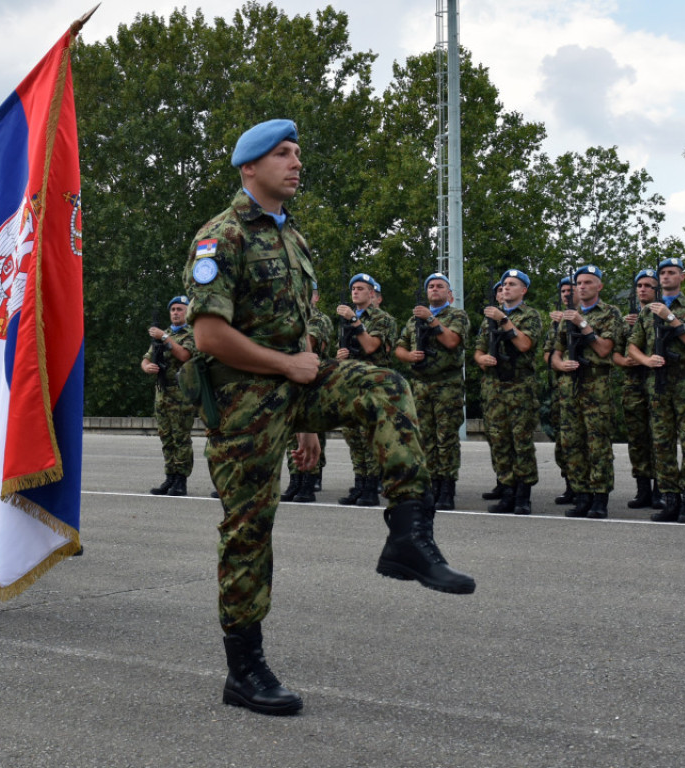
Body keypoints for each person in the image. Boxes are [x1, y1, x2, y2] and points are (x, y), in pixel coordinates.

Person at [184, 119, 475, 716]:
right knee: (248, 529)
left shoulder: (294, 238)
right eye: (282, 154)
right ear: (249, 168)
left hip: (295, 390)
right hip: (243, 403)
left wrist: (308, 419)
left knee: (386, 385)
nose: (296, 163)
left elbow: (300, 333)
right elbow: (209, 335)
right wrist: (287, 369)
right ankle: (244, 669)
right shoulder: (221, 236)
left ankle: (409, 533)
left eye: (297, 153)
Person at [626, 257, 685, 523]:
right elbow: (632, 347)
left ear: (682, 277)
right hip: (658, 386)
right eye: (663, 273)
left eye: (672, 272)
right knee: (662, 444)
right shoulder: (647, 312)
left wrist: (671, 319)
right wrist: (646, 360)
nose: (667, 276)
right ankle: (670, 499)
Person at [550, 265, 622, 519]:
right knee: (572, 442)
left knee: (598, 443)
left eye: (588, 282)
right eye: (579, 283)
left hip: (596, 384)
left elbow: (604, 349)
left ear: (599, 286)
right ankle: (581, 495)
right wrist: (560, 365)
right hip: (570, 385)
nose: (582, 287)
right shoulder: (568, 315)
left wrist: (582, 324)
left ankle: (599, 497)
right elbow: (554, 352)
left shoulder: (610, 313)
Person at [395, 272, 469, 510]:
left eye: (439, 286)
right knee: (424, 438)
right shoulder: (413, 320)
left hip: (447, 385)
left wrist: (431, 320)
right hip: (420, 386)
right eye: (431, 287)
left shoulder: (456, 315)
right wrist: (408, 356)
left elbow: (452, 341)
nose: (434, 289)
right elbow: (399, 347)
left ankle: (446, 488)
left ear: (449, 293)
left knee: (446, 439)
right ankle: (430, 486)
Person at [474, 269, 541, 515]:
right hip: (494, 388)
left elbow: (524, 344)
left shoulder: (530, 315)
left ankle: (523, 495)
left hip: (519, 386)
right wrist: (482, 359)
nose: (506, 288)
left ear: (523, 290)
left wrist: (504, 320)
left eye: (512, 284)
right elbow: (478, 350)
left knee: (521, 442)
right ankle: (507, 491)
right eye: (504, 284)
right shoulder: (488, 319)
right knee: (499, 441)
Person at [334, 271, 397, 507]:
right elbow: (342, 350)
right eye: (353, 289)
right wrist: (340, 355)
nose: (355, 292)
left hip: (372, 385)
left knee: (369, 436)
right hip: (351, 385)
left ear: (372, 294)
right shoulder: (346, 320)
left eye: (361, 289)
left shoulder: (382, 319)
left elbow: (371, 347)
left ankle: (371, 486)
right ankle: (359, 483)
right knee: (353, 436)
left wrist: (354, 320)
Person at [140, 295, 197, 496]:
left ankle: (181, 480)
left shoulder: (191, 333)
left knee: (181, 437)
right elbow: (146, 359)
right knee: (166, 437)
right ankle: (170, 476)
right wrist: (147, 367)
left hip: (181, 393)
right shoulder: (162, 335)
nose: (175, 313)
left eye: (180, 309)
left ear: (187, 312)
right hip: (162, 392)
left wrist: (164, 337)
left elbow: (184, 355)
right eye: (173, 310)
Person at [280, 282, 332, 503]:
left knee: (310, 431)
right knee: (292, 435)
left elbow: (308, 342)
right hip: (290, 380)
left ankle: (309, 482)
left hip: (313, 383)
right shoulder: (289, 318)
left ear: (315, 297)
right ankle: (295, 479)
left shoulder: (319, 319)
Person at [615, 269, 659, 510]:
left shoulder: (663, 315)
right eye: (639, 286)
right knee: (637, 439)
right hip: (633, 385)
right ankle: (643, 489)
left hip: (658, 384)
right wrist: (625, 361)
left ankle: (661, 489)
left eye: (648, 286)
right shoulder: (626, 321)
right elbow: (613, 352)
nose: (643, 289)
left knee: (660, 438)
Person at [540, 276, 577, 506]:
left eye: (570, 290)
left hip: (585, 386)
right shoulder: (556, 323)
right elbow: (547, 354)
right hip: (560, 388)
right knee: (563, 441)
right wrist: (559, 363)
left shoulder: (589, 317)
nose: (566, 294)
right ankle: (571, 485)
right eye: (563, 291)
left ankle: (588, 488)